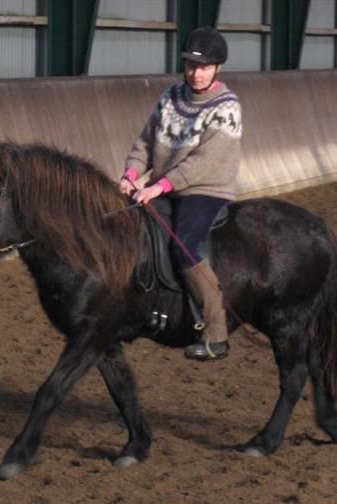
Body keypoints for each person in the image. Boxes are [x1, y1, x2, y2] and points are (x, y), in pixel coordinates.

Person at [118, 27, 242, 361]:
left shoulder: (227, 107)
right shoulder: (171, 97)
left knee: (185, 244)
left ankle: (216, 333)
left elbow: (204, 162)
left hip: (205, 188)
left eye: (203, 67)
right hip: (165, 184)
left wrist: (159, 185)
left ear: (217, 68)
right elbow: (145, 142)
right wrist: (131, 174)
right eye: (190, 66)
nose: (195, 73)